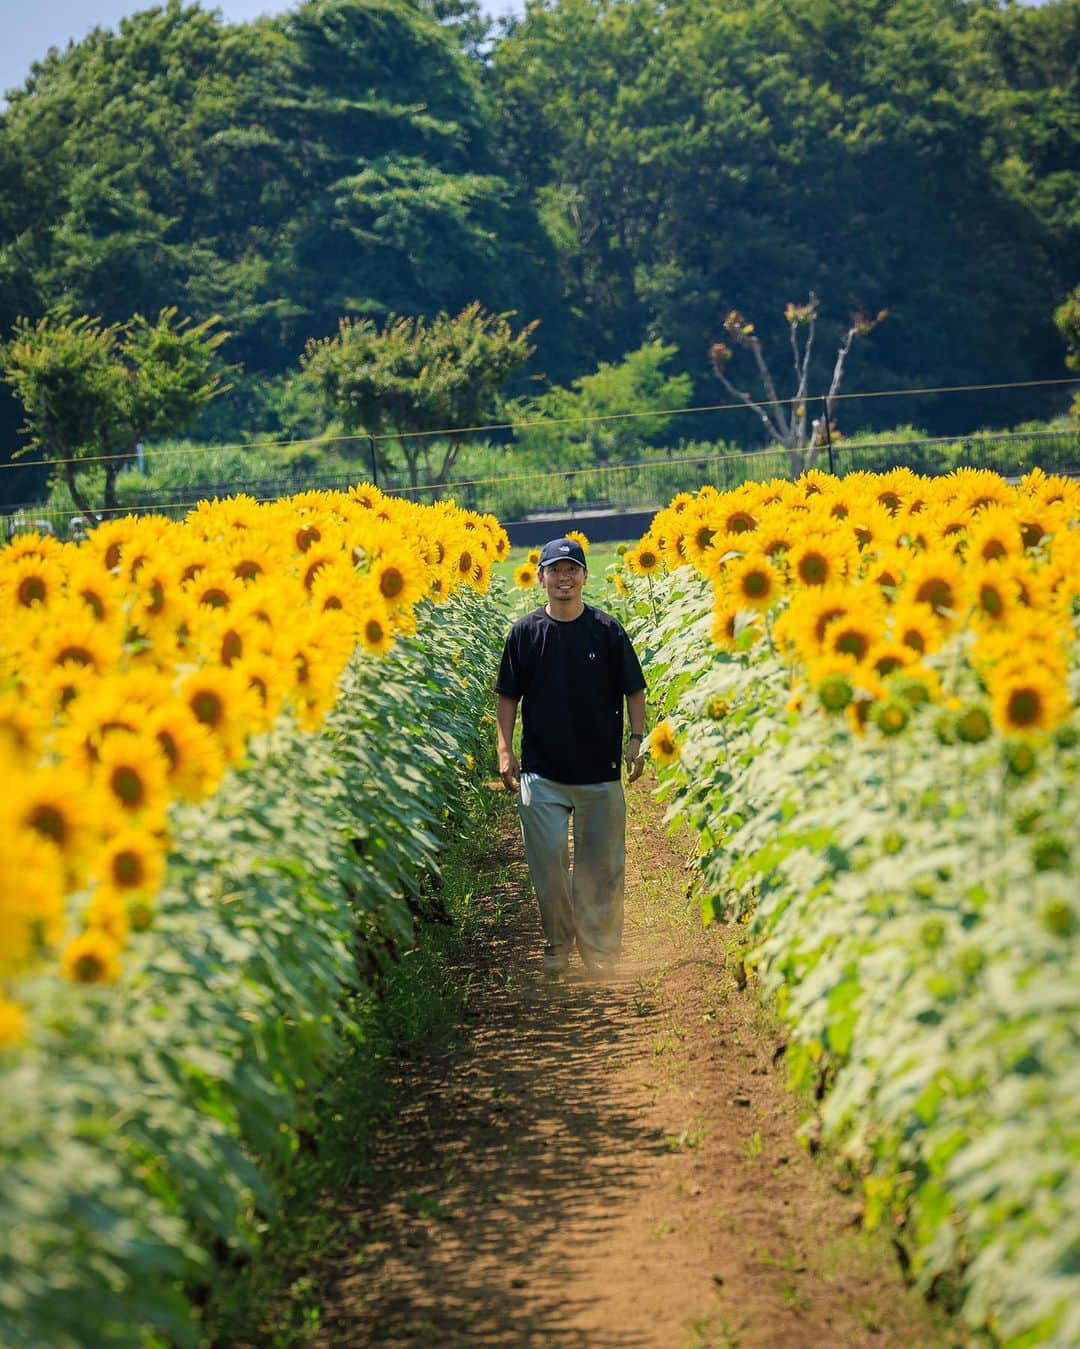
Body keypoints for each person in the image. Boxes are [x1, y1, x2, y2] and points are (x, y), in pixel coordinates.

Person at [496, 537, 647, 976]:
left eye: (571, 569)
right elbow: (508, 697)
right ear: (541, 577)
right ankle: (558, 945)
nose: (564, 578)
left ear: (584, 576)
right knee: (548, 866)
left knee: (601, 870)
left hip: (599, 772)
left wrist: (636, 739)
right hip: (542, 773)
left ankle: (600, 953)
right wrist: (505, 749)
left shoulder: (607, 630)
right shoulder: (525, 633)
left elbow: (633, 689)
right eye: (555, 570)